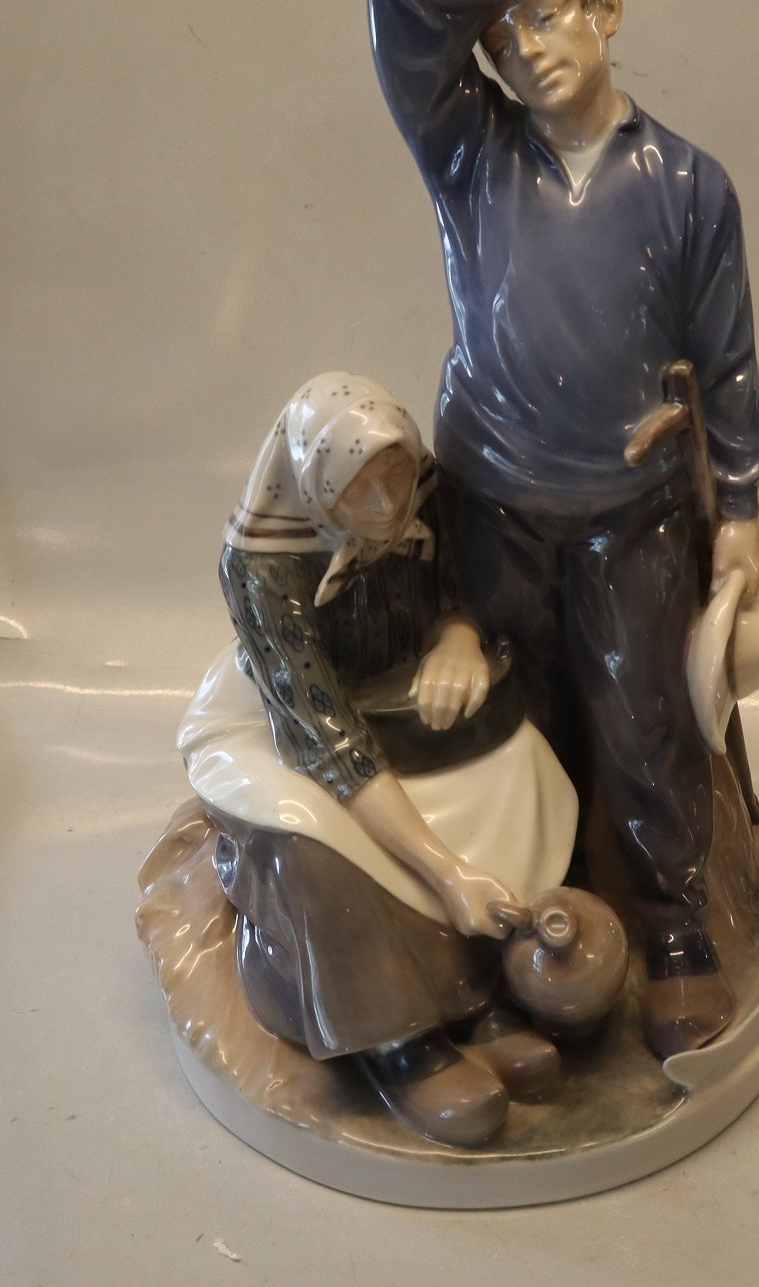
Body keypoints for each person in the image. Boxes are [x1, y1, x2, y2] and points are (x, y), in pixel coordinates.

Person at [369, 0, 759, 1057]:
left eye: (547, 14)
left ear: (605, 10)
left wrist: (740, 507)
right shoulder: (469, 152)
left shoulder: (688, 186)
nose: (528, 50)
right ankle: (523, 932)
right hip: (492, 502)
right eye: (500, 40)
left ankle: (672, 925)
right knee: (512, 720)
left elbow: (727, 361)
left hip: (633, 512)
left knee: (644, 719)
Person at [180, 372, 578, 1145]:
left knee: (515, 766)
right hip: (283, 719)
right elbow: (323, 735)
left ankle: (486, 996)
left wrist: (457, 637)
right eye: (359, 488)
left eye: (396, 477)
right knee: (313, 835)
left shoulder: (426, 499)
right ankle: (401, 1038)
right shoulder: (261, 566)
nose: (388, 504)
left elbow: (462, 588)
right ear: (315, 483)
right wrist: (447, 872)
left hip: (398, 705)